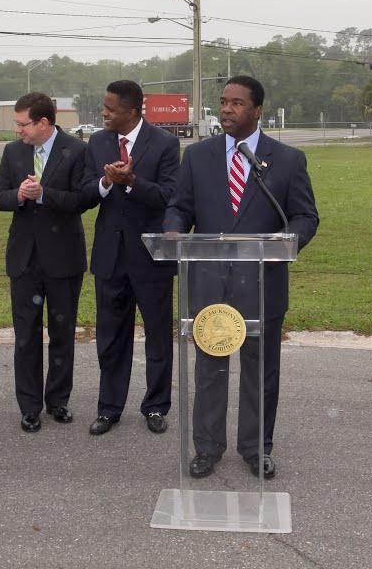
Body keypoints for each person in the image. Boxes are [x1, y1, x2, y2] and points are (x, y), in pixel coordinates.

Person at [162, 75, 319, 480]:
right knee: (209, 370)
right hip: (208, 281)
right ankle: (207, 448)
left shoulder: (286, 160)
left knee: (260, 371)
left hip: (262, 283)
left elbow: (305, 216)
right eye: (223, 102)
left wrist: (288, 241)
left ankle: (256, 448)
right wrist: (174, 228)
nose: (226, 109)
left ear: (257, 109)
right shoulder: (198, 157)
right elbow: (180, 207)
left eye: (236, 103)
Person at [80, 80, 180, 436]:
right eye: (103, 107)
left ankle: (155, 406)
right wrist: (106, 183)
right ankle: (109, 408)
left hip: (150, 258)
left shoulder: (166, 143)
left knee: (157, 335)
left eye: (110, 108)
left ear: (132, 112)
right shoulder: (97, 142)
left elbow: (170, 195)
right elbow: (86, 192)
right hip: (110, 256)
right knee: (110, 336)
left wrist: (133, 181)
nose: (103, 113)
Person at [0, 92, 93, 433]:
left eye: (23, 124)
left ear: (43, 122)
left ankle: (58, 401)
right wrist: (19, 195)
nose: (18, 130)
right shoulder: (12, 151)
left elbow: (83, 199)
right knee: (26, 336)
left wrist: (45, 195)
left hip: (63, 258)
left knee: (63, 333)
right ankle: (30, 406)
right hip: (24, 259)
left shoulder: (76, 150)